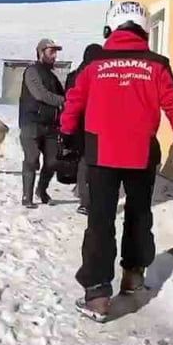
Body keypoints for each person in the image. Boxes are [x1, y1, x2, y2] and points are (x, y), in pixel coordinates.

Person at [58, 1, 173, 319]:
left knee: (100, 221)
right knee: (138, 215)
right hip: (141, 154)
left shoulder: (94, 64)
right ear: (144, 28)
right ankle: (134, 279)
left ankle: (97, 295)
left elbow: (74, 102)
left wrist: (66, 138)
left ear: (111, 27)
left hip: (101, 154)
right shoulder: (157, 63)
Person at [19, 37, 66, 208]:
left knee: (53, 161)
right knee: (31, 158)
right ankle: (27, 196)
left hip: (51, 125)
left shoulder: (52, 76)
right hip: (31, 122)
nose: (54, 56)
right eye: (51, 52)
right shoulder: (32, 71)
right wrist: (64, 100)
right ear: (41, 52)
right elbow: (40, 94)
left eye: (56, 52)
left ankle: (42, 189)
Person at [64, 43, 102, 216]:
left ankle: (83, 195)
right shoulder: (99, 76)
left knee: (83, 161)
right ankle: (87, 201)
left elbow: (68, 102)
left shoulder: (73, 75)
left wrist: (66, 129)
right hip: (94, 124)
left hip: (76, 124)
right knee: (90, 162)